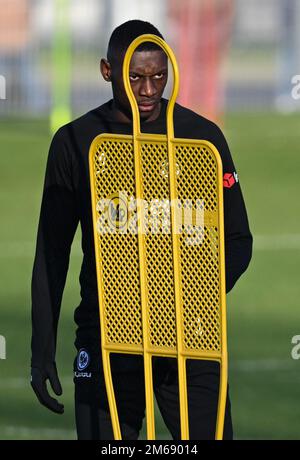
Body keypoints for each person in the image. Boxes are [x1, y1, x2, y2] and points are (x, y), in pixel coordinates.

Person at [30, 19, 252, 440]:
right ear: (107, 70)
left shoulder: (201, 139)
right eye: (135, 78)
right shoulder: (76, 142)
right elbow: (52, 253)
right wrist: (41, 349)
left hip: (190, 337)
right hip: (107, 337)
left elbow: (238, 240)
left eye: (158, 77)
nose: (149, 90)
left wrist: (195, 293)